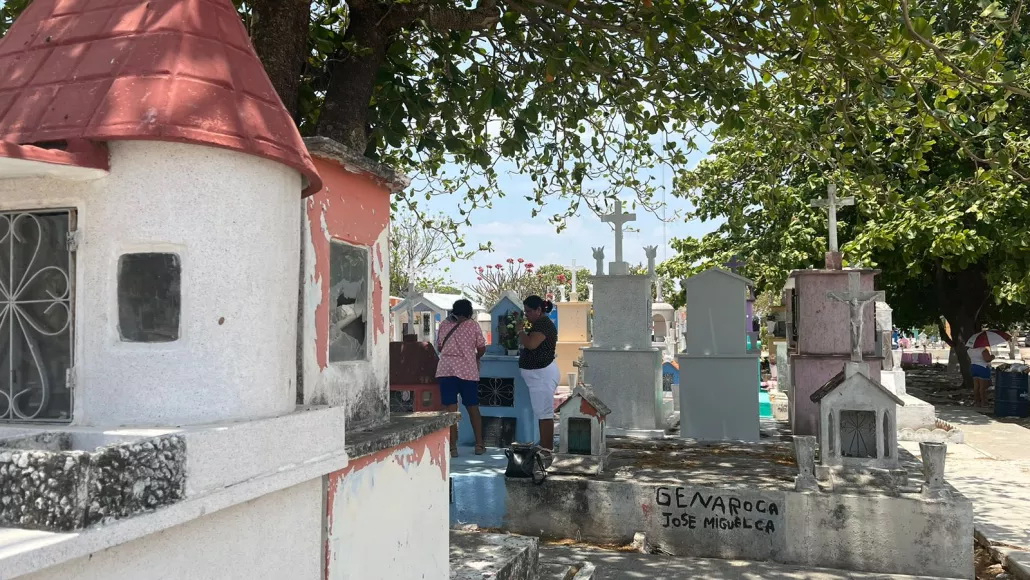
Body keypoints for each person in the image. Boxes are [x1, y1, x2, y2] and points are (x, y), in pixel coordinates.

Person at [436, 299, 487, 456]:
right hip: (467, 371)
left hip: (446, 370)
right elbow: (481, 347)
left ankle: (452, 448)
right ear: (469, 312)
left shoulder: (444, 324)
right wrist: (475, 358)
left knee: (450, 410)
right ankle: (479, 444)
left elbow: (439, 346)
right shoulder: (473, 325)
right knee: (473, 408)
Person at [518, 295, 560, 451]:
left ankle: (546, 449)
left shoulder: (543, 324)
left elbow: (531, 344)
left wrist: (520, 331)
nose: (526, 314)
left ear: (538, 310)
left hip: (542, 374)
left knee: (545, 414)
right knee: (542, 413)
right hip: (537, 375)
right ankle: (545, 447)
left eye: (528, 311)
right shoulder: (539, 324)